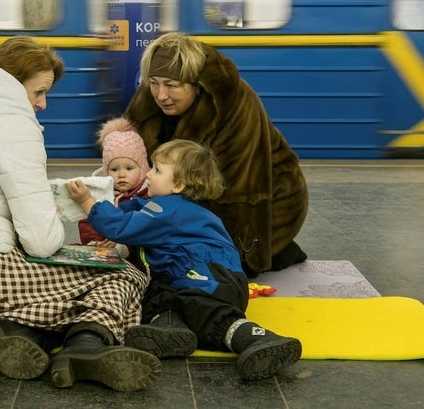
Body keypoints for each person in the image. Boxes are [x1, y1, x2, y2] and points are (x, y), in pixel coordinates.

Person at [0, 36, 161, 392]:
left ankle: (15, 333)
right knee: (123, 275)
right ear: (12, 85)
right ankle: (85, 346)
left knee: (65, 285)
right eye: (38, 92)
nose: (42, 104)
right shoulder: (14, 127)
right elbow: (41, 243)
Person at [66, 139, 303, 381]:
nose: (148, 174)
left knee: (208, 315)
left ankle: (260, 339)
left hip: (209, 277)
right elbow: (131, 212)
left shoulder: (167, 209)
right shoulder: (167, 207)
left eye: (157, 170)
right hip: (189, 278)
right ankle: (169, 329)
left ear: (178, 184)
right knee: (160, 299)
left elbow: (123, 226)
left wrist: (87, 202)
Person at [124, 32, 309, 275]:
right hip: (191, 198)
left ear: (196, 84)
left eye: (171, 85)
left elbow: (242, 189)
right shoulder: (153, 93)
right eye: (154, 82)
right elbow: (130, 158)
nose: (160, 95)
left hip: (269, 202)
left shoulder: (236, 104)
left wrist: (233, 257)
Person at [78, 117, 149, 265]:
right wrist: (94, 242)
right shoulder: (100, 194)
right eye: (114, 169)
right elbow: (87, 220)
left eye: (129, 168)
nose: (121, 174)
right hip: (102, 254)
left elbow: (145, 229)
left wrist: (122, 246)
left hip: (135, 259)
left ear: (142, 168)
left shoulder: (148, 196)